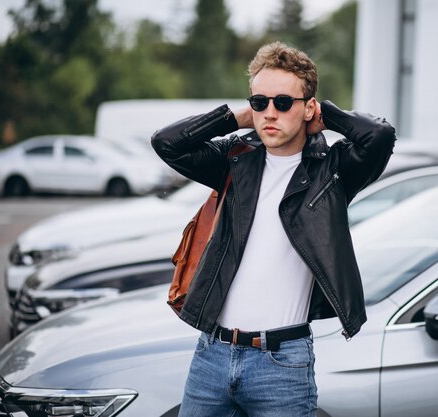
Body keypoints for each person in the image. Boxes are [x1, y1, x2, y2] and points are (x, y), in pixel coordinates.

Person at [151, 41, 396, 417]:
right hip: (212, 354)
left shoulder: (332, 171)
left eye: (283, 103)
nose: (270, 112)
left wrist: (326, 114)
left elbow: (378, 137)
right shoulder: (235, 160)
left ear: (306, 106)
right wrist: (235, 118)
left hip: (282, 363)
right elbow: (167, 143)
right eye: (259, 102)